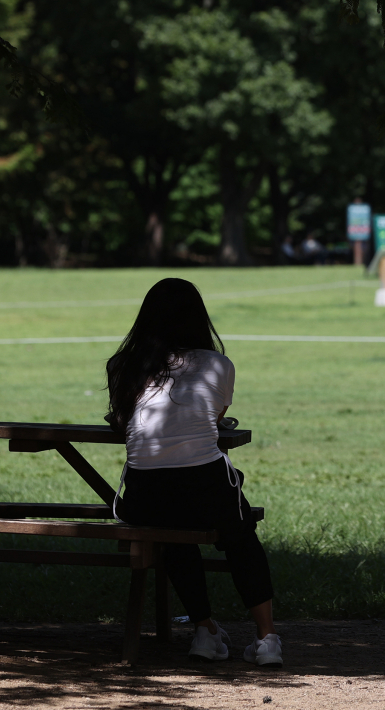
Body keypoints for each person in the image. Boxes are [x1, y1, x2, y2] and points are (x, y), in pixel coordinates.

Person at [105, 278, 281, 667]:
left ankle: (205, 631)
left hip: (144, 492)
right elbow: (214, 420)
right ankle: (267, 639)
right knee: (240, 537)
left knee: (172, 536)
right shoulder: (217, 365)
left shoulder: (122, 366)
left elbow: (121, 420)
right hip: (203, 482)